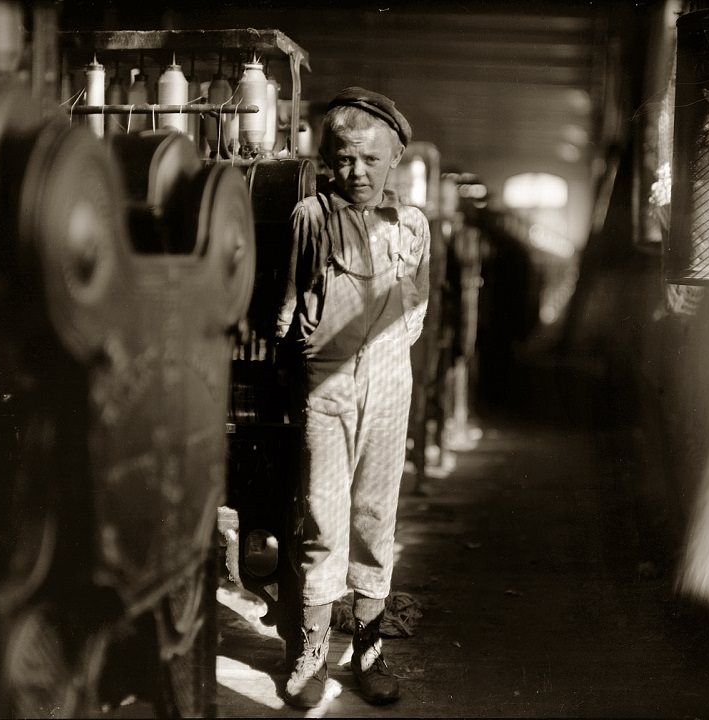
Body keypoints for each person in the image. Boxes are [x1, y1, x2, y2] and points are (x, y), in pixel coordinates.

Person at [275, 87, 430, 709]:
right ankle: (311, 644)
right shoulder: (310, 216)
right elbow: (289, 304)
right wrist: (312, 348)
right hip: (329, 379)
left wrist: (388, 356)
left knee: (375, 511)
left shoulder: (414, 224)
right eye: (343, 159)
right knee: (320, 509)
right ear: (325, 159)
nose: (356, 172)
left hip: (391, 376)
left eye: (370, 160)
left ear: (394, 158)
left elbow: (418, 300)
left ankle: (368, 640)